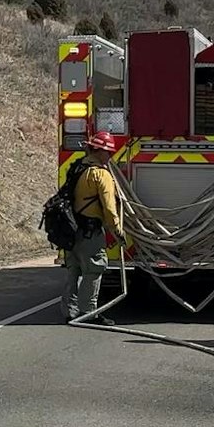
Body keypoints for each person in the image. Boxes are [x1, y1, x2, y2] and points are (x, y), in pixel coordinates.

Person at [64, 130, 124, 324]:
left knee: (74, 270)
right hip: (90, 232)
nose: (110, 157)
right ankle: (89, 313)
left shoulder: (76, 168)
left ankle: (70, 312)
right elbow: (109, 208)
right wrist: (118, 232)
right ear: (100, 152)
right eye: (109, 153)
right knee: (94, 270)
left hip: (71, 230)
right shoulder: (100, 174)